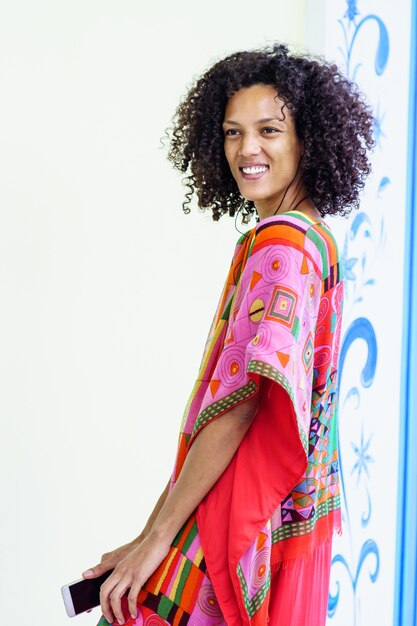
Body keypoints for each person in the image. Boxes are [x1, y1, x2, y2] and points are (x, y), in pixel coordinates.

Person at [82, 43, 375, 626]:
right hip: (289, 510)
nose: (247, 150)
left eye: (268, 129)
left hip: (239, 518)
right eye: (232, 132)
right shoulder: (315, 240)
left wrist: (158, 539)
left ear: (307, 141)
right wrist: (149, 534)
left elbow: (239, 407)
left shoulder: (283, 248)